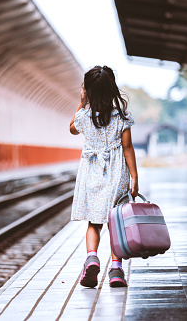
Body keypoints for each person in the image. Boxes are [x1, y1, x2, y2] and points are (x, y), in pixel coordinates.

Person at [69, 65, 139, 288]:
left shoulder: (84, 116)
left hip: (92, 172)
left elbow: (71, 128)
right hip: (117, 172)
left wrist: (81, 102)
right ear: (112, 90)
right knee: (115, 221)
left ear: (87, 90)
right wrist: (134, 177)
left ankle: (91, 257)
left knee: (94, 220)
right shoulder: (122, 116)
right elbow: (127, 147)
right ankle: (116, 269)